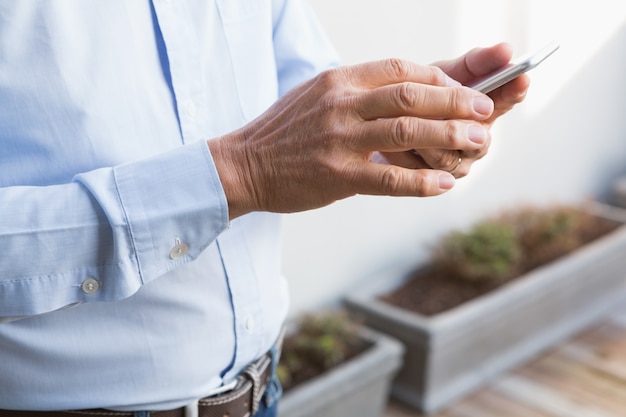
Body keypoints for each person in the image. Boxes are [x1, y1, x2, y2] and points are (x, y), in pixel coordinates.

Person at [0, 1, 529, 417]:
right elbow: (257, 157)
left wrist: (389, 124)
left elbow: (295, 98)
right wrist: (237, 174)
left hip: (263, 390)